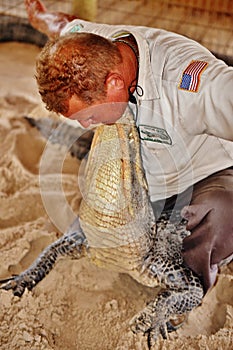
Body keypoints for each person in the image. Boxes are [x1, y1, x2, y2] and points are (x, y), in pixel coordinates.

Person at [24, 0, 233, 292]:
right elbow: (64, 27)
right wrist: (42, 18)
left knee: (216, 216)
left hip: (206, 173)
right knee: (98, 220)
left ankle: (185, 293)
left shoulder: (193, 86)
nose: (86, 125)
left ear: (113, 83)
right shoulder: (91, 43)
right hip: (147, 171)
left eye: (90, 116)